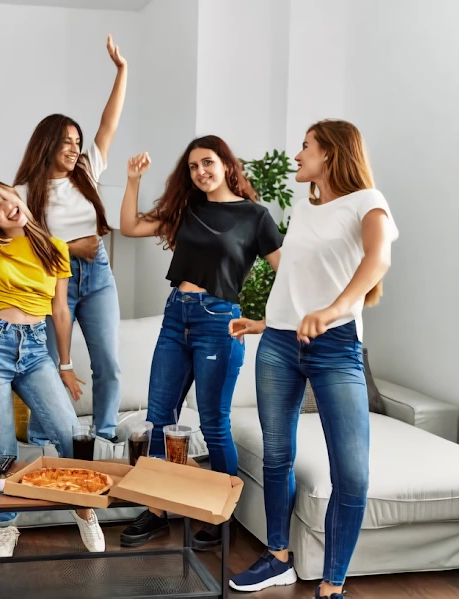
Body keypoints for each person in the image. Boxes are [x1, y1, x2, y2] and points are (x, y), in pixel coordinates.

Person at [227, 120, 399, 599]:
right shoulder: (305, 209)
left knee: (352, 473)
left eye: (306, 146)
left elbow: (377, 260)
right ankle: (279, 557)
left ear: (332, 153)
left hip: (336, 344)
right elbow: (295, 283)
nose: (298, 153)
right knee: (276, 455)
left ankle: (331, 586)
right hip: (280, 344)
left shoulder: (368, 201)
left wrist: (333, 310)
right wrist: (265, 322)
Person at [117, 136, 282, 550]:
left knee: (213, 422)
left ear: (226, 164)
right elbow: (131, 227)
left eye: (207, 163)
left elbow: (291, 273)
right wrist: (133, 181)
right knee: (159, 416)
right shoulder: (187, 209)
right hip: (176, 315)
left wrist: (268, 322)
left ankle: (218, 515)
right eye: (192, 167)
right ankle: (157, 512)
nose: (200, 172)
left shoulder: (255, 217)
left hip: (219, 321)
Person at [0, 179, 105, 557]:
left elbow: (61, 310)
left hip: (36, 348)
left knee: (70, 432)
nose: (6, 206)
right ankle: (6, 526)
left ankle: (84, 508)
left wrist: (66, 363)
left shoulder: (54, 247)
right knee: (2, 447)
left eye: (6, 197)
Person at [13, 34, 128, 443]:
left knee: (108, 363)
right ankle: (46, 437)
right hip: (52, 282)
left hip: (97, 277)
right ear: (47, 144)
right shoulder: (27, 190)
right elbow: (23, 246)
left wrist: (122, 71)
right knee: (46, 364)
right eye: (66, 142)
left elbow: (109, 123)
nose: (75, 148)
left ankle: (106, 435)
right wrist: (71, 247)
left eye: (77, 142)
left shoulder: (87, 170)